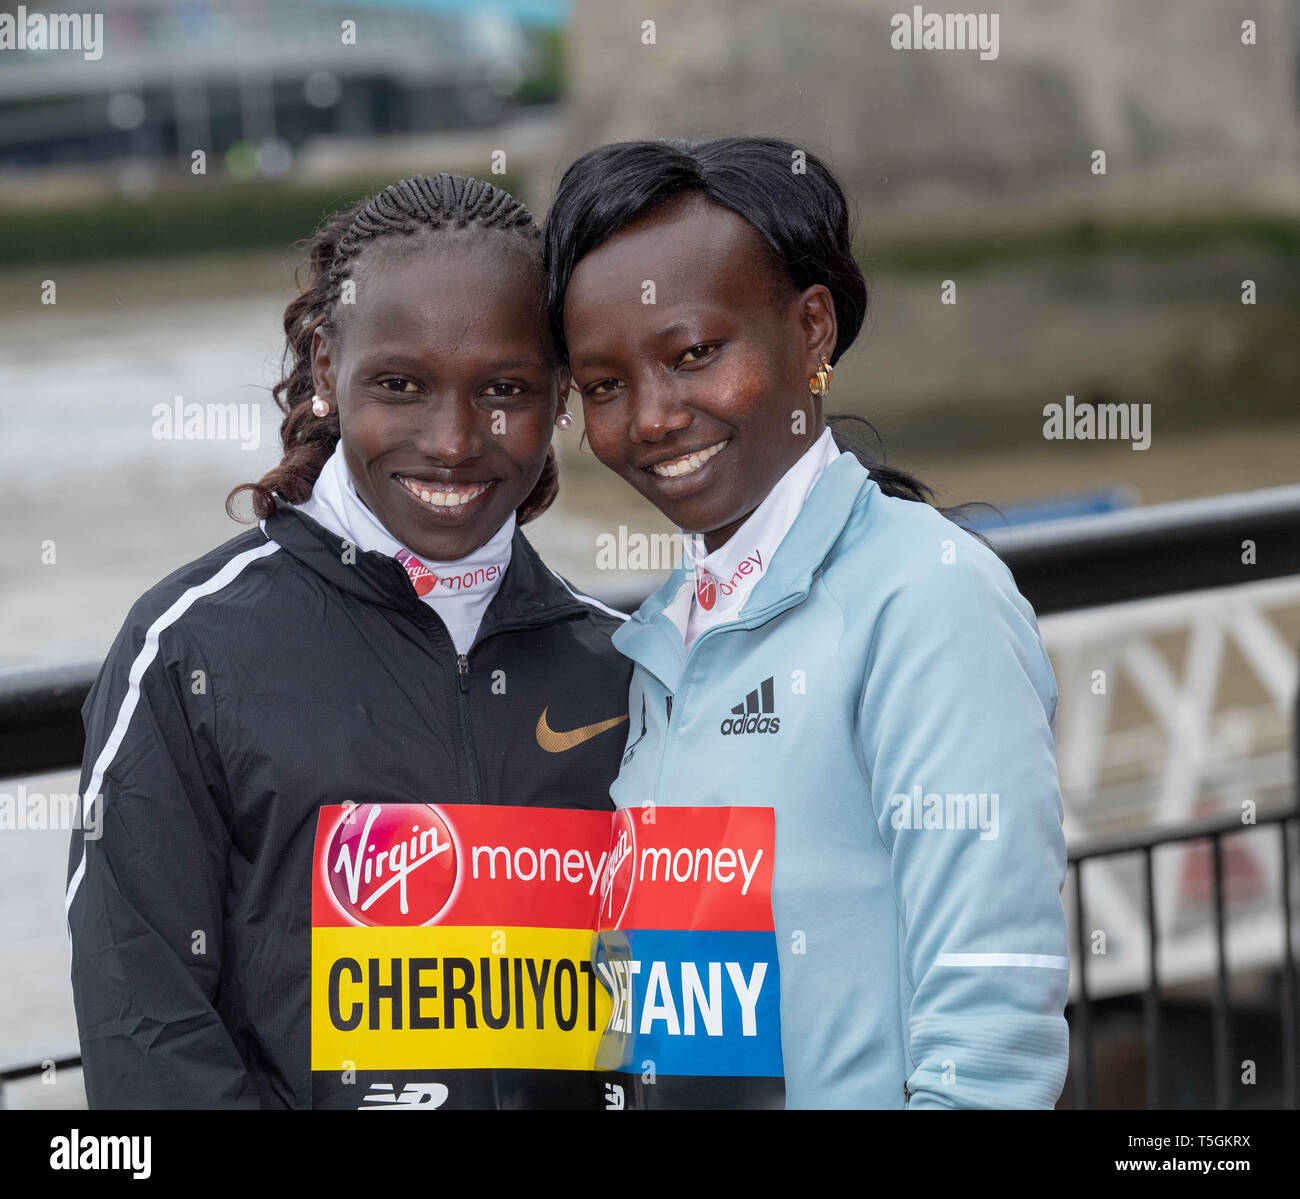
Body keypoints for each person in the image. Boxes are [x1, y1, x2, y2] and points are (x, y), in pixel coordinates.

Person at [65, 174, 631, 1109]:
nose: (452, 441)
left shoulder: (627, 666)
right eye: (400, 385)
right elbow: (145, 1036)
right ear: (328, 367)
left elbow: (665, 1027)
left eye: (505, 389)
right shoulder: (187, 651)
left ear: (561, 394)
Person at [543, 137, 1071, 1109]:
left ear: (812, 331)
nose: (651, 417)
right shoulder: (662, 637)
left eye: (695, 353)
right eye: (604, 386)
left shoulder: (924, 595)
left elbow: (992, 1024)